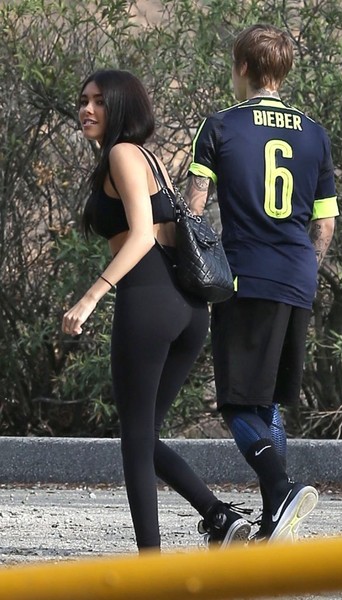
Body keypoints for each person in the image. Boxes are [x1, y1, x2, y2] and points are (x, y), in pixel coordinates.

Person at [61, 69, 251, 552]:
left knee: (134, 438)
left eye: (99, 101)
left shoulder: (123, 154)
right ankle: (219, 516)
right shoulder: (149, 158)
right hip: (188, 309)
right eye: (83, 100)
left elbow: (143, 235)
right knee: (142, 434)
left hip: (150, 302)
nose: (86, 109)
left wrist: (91, 296)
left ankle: (150, 563)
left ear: (122, 106)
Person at [185, 24, 339, 543]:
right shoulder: (314, 132)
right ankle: (277, 517)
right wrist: (304, 271)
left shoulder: (220, 125)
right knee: (267, 401)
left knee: (235, 403)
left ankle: (281, 487)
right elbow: (325, 225)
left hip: (247, 276)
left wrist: (186, 271)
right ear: (285, 70)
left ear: (243, 67)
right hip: (297, 276)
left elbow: (194, 209)